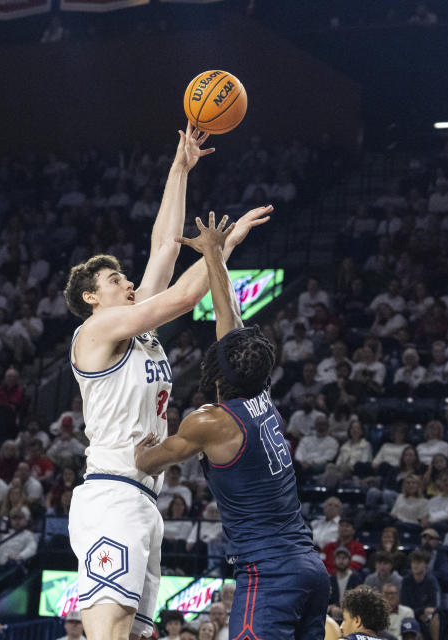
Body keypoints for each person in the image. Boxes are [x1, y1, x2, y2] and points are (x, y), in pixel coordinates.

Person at [64, 122, 269, 640]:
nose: (128, 282)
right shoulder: (95, 330)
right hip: (112, 494)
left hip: (142, 499)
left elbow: (164, 248)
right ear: (92, 297)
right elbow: (181, 296)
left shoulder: (136, 329)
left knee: (137, 635)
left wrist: (179, 168)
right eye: (116, 281)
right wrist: (224, 248)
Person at [134, 212, 327, 640]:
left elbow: (147, 461)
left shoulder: (209, 422)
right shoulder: (260, 394)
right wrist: (215, 255)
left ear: (217, 376)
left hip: (270, 577)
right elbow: (230, 317)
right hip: (310, 570)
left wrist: (143, 441)